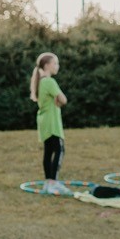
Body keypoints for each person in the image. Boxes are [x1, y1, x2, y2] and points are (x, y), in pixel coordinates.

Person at [31, 52, 68, 186]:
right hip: (52, 123)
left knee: (48, 151)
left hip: (44, 122)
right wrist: (58, 100)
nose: (57, 66)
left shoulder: (41, 82)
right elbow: (63, 99)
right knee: (59, 150)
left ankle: (48, 182)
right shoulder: (49, 81)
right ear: (47, 65)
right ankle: (53, 182)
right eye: (55, 63)